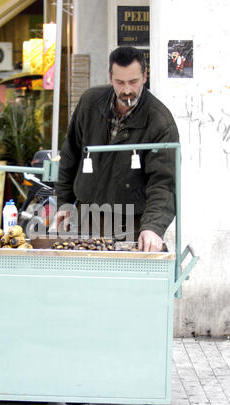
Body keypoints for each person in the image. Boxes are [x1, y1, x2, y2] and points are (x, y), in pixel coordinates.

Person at [54, 46, 179, 252]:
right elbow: (70, 156)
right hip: (87, 217)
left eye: (133, 82)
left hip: (133, 223)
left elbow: (164, 183)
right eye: (120, 82)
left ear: (145, 76)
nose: (127, 90)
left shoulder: (160, 122)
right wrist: (64, 203)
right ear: (110, 77)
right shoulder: (89, 104)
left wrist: (153, 227)